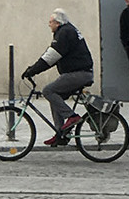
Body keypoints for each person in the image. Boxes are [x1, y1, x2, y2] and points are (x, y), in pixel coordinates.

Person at [23, 9, 95, 146]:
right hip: (81, 72)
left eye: (50, 22)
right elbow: (52, 57)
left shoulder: (64, 33)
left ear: (57, 23)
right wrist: (34, 68)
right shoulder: (68, 30)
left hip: (79, 73)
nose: (49, 24)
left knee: (48, 90)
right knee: (56, 97)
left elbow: (51, 56)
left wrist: (32, 71)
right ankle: (61, 134)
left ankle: (72, 117)